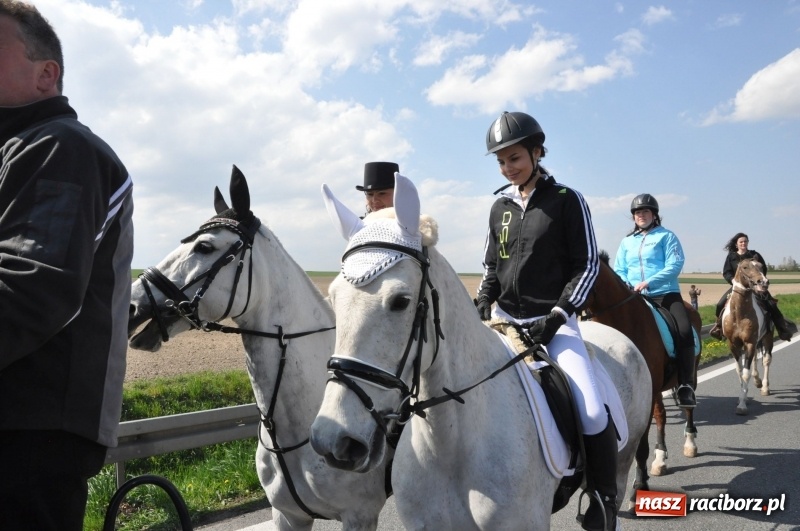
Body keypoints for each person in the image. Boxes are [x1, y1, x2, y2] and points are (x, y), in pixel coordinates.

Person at [0, 2, 134, 529]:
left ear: (45, 73)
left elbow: (32, 289)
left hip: (28, 433)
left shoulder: (60, 146)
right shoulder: (18, 150)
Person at [475, 111, 617, 531]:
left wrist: (559, 316)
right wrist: (484, 297)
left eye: (514, 158)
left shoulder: (567, 200)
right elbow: (491, 264)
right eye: (501, 162)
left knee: (591, 411)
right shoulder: (499, 206)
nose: (508, 168)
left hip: (553, 322)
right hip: (504, 323)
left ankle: (603, 498)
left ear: (537, 152)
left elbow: (587, 264)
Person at [613, 194, 696, 410]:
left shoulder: (666, 236)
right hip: (634, 297)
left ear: (654, 215)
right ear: (633, 217)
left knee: (685, 331)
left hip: (665, 294)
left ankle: (686, 384)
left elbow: (675, 264)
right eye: (637, 212)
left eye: (645, 212)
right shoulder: (626, 242)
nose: (641, 215)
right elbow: (619, 269)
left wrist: (648, 282)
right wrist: (627, 285)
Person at [708, 233, 796, 341]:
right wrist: (733, 281)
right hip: (738, 287)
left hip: (756, 287)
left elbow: (763, 269)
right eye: (741, 242)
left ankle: (782, 329)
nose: (743, 243)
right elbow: (726, 272)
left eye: (745, 241)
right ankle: (719, 328)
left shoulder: (754, 255)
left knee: (771, 304)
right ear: (736, 244)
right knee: (720, 304)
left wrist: (759, 283)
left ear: (748, 242)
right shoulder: (731, 256)